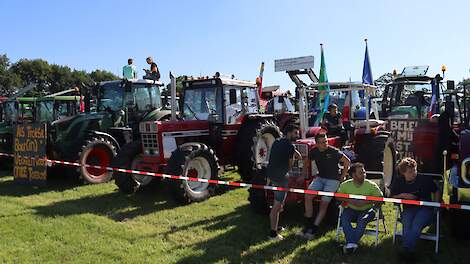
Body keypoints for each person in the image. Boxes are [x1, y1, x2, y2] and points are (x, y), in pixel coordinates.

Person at [298, 133, 350, 239]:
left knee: (323, 203)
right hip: (320, 178)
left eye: (326, 141)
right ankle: (308, 225)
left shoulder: (333, 151)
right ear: (316, 144)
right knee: (308, 196)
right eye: (322, 142)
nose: (325, 144)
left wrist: (343, 176)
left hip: (333, 180)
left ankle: (314, 228)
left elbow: (347, 161)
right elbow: (307, 161)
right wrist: (302, 174)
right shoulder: (314, 151)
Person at [391, 158, 441, 261]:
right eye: (410, 171)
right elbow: (391, 198)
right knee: (407, 224)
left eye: (415, 170)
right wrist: (403, 195)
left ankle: (406, 250)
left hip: (425, 208)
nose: (414, 173)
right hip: (408, 208)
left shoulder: (424, 179)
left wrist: (436, 205)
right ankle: (410, 251)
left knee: (416, 224)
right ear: (403, 173)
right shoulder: (399, 181)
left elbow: (436, 190)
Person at [336, 162, 383, 253]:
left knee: (362, 220)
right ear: (353, 175)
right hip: (351, 209)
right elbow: (337, 196)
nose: (364, 175)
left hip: (367, 210)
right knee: (344, 219)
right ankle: (352, 244)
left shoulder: (371, 185)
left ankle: (350, 244)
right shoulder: (346, 185)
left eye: (364, 172)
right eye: (361, 173)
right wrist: (350, 200)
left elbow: (381, 199)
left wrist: (365, 202)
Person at [267, 124, 302, 240]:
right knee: (277, 206)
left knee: (279, 203)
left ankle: (276, 226)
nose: (297, 135)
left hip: (271, 175)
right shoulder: (290, 147)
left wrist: (296, 153)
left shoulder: (277, 142)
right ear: (288, 133)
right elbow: (290, 165)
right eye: (295, 133)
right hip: (281, 178)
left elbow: (286, 152)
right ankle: (273, 234)